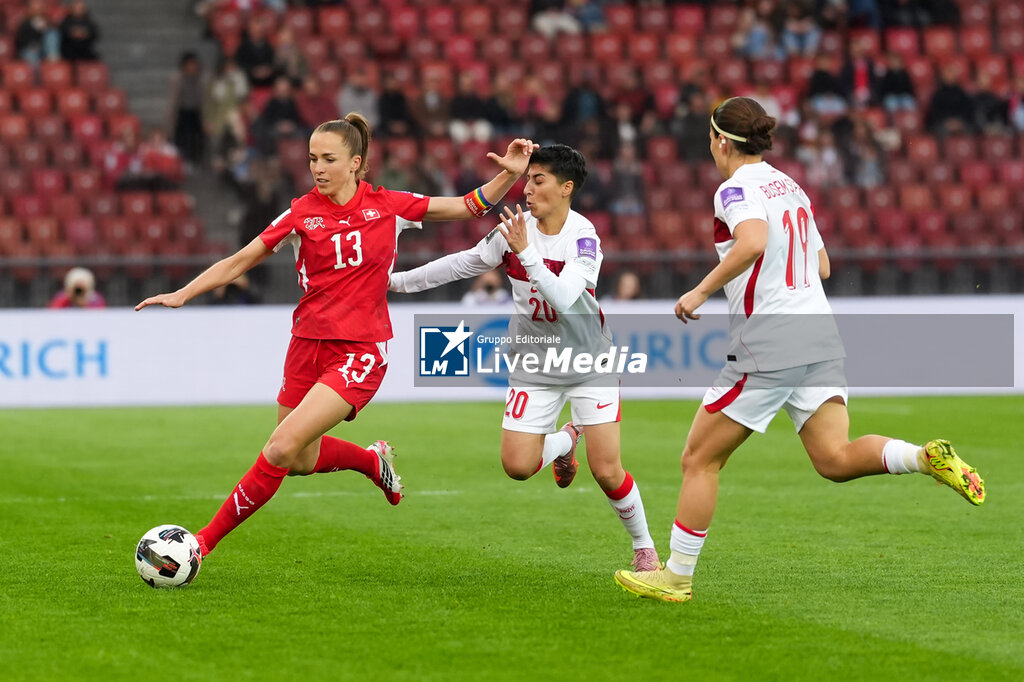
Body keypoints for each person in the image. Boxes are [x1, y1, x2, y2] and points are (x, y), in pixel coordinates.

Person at [613, 97, 986, 603]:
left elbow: (752, 241)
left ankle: (676, 577)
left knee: (699, 459)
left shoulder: (734, 188)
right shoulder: (789, 185)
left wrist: (700, 291)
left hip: (771, 339)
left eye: (710, 136)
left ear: (721, 141)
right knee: (833, 457)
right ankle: (923, 458)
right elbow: (823, 265)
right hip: (818, 332)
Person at [136, 113, 538, 559]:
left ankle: (200, 544)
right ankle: (371, 461)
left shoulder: (388, 205)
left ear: (355, 163)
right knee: (300, 461)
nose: (318, 168)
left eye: (328, 159)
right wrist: (184, 293)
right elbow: (239, 260)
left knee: (280, 447)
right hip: (306, 345)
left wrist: (509, 174)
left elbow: (467, 205)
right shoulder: (300, 213)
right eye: (312, 159)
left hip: (360, 350)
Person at [390, 145, 660, 572]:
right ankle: (567, 440)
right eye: (528, 180)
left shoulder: (583, 237)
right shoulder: (514, 230)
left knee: (607, 471)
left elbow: (565, 296)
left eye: (538, 180)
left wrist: (526, 252)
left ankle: (645, 548)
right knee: (517, 466)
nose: (527, 189)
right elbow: (463, 264)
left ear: (566, 188)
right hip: (534, 364)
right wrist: (395, 283)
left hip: (588, 362)